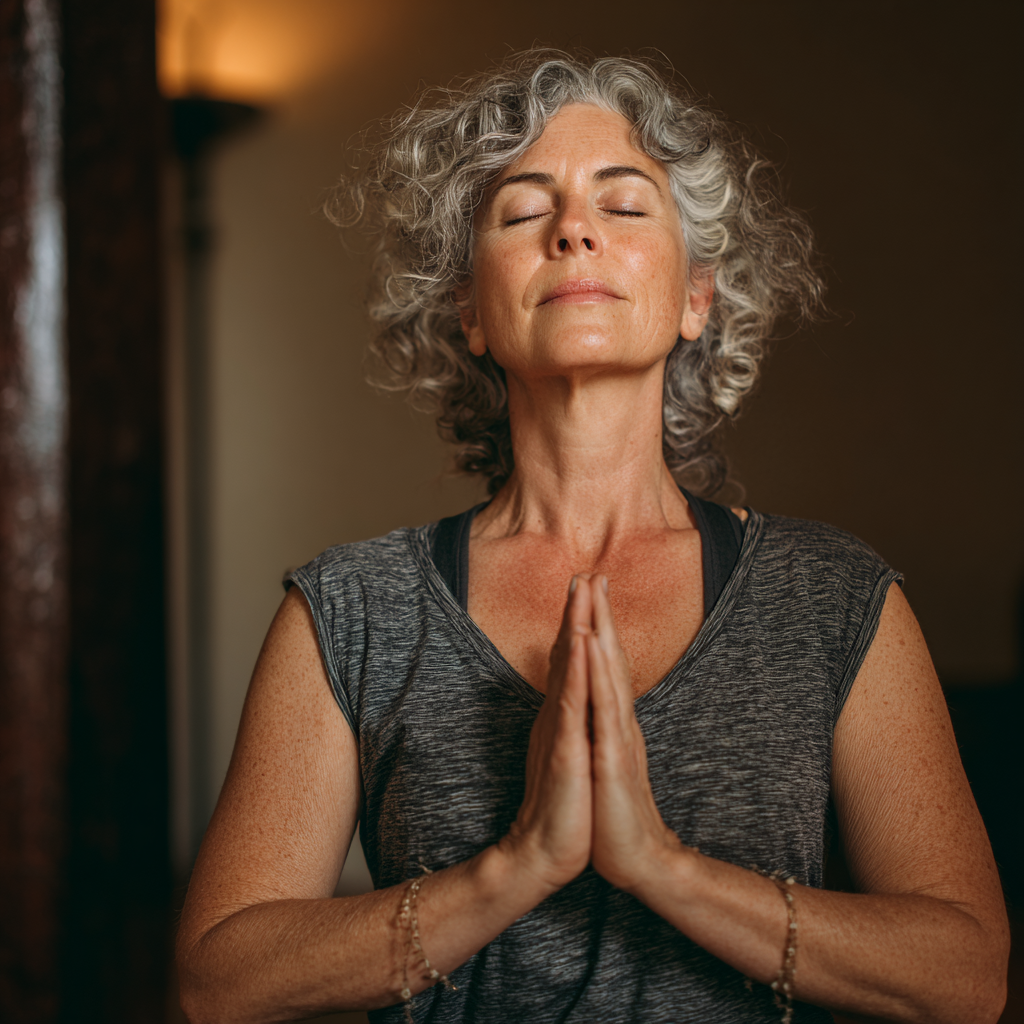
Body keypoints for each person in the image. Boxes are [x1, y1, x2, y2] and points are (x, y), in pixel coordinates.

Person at [176, 51, 1009, 1023]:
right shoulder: (351, 612)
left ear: (696, 296)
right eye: (524, 212)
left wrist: (661, 866)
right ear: (468, 311)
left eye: (622, 206)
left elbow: (967, 975)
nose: (573, 230)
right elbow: (217, 983)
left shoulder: (831, 598)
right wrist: (518, 865)